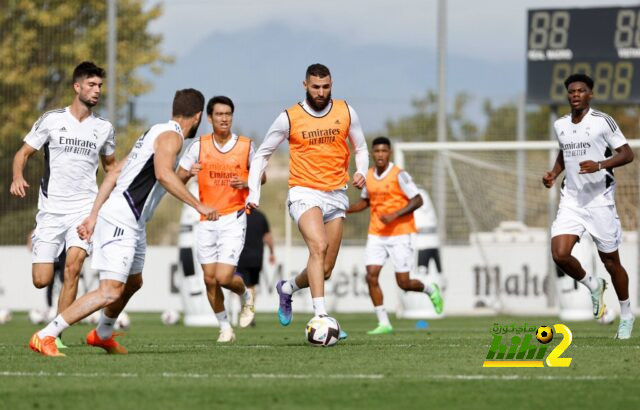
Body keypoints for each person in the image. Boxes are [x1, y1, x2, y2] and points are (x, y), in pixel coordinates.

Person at [29, 88, 215, 356]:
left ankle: (102, 333)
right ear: (198, 116)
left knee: (133, 282)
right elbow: (163, 175)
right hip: (122, 219)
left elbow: (116, 171)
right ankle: (46, 334)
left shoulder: (154, 132)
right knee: (109, 291)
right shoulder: (172, 137)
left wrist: (93, 215)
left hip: (132, 222)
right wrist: (199, 205)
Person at [246, 64, 368, 338]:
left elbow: (360, 147)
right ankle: (321, 317)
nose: (321, 92)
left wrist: (361, 171)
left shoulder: (345, 111)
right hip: (304, 191)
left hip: (336, 193)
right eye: (316, 87)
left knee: (324, 270)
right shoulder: (289, 117)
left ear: (332, 84)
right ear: (305, 85)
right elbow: (261, 155)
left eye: (326, 87)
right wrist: (254, 193)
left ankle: (287, 288)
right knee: (319, 246)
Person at [11, 62, 116, 348]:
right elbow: (23, 154)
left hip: (83, 210)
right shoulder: (52, 119)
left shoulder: (104, 128)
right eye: (92, 85)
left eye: (100, 86)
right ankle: (51, 329)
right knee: (41, 280)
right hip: (51, 211)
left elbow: (112, 168)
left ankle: (53, 336)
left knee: (74, 268)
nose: (97, 91)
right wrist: (17, 176)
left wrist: (117, 197)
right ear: (77, 86)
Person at [542, 73, 634, 339]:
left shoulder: (602, 122)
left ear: (589, 94)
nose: (575, 95)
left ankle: (626, 314)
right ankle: (593, 285)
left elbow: (627, 154)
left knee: (611, 262)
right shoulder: (560, 125)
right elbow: (565, 152)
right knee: (559, 254)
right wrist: (553, 173)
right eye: (571, 91)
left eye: (581, 90)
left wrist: (600, 165)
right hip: (572, 200)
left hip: (599, 201)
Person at [177, 96, 262, 342]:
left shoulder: (246, 146)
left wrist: (247, 182)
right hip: (206, 220)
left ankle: (246, 296)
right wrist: (188, 174)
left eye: (228, 114)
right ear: (210, 117)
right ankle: (225, 328)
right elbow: (175, 179)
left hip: (233, 217)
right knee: (209, 280)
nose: (224, 118)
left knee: (224, 277)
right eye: (219, 114)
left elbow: (261, 177)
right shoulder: (198, 146)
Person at [347, 137, 442, 334]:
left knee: (404, 283)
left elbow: (418, 200)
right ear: (372, 153)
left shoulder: (400, 175)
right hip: (376, 234)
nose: (380, 154)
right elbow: (365, 202)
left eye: (384, 151)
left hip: (400, 234)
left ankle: (431, 290)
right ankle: (384, 323)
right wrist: (345, 209)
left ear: (389, 152)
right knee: (371, 276)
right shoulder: (369, 176)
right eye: (377, 151)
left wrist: (395, 215)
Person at [236, 208, 276, 325]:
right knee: (252, 286)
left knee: (240, 285)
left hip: (241, 256)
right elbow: (268, 236)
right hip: (256, 257)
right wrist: (272, 253)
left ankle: (245, 311)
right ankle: (250, 312)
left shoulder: (238, 215)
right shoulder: (261, 216)